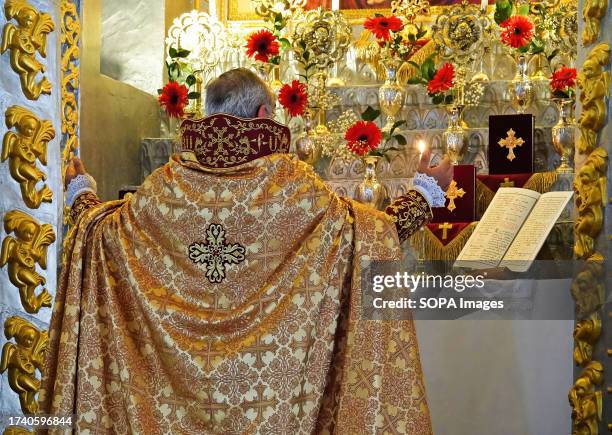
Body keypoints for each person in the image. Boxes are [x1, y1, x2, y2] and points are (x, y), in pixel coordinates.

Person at [40, 68, 451, 434]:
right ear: (261, 116)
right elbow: (369, 236)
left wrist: (82, 196)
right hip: (274, 399)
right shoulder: (291, 186)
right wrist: (423, 194)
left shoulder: (165, 187)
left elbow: (103, 236)